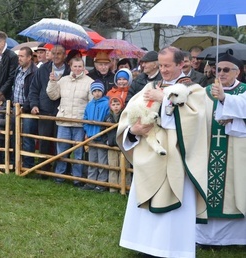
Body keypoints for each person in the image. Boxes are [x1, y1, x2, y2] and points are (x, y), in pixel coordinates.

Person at [117, 46, 209, 258]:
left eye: (168, 66)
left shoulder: (194, 90)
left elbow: (195, 122)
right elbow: (128, 114)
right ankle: (145, 246)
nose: (164, 70)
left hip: (174, 159)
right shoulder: (150, 86)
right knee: (146, 210)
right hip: (147, 157)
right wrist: (133, 130)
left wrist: (165, 98)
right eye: (161, 65)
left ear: (181, 64)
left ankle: (171, 249)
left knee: (172, 216)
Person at [196, 53, 246, 246]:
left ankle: (237, 238)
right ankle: (203, 237)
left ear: (238, 72)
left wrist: (227, 104)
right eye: (218, 69)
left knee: (236, 191)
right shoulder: (205, 92)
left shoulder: (243, 91)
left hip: (237, 155)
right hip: (208, 151)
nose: (221, 73)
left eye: (226, 70)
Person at [46, 57, 93, 186]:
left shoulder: (89, 82)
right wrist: (52, 81)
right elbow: (53, 95)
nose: (77, 69)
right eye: (75, 66)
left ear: (84, 67)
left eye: (80, 66)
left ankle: (77, 178)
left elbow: (91, 103)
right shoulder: (63, 80)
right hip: (64, 120)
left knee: (78, 152)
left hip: (79, 122)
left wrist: (87, 121)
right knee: (62, 150)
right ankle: (59, 176)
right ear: (70, 67)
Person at [28, 45, 70, 173]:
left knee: (61, 142)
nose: (56, 56)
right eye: (54, 53)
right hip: (44, 109)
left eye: (59, 53)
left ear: (65, 55)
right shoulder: (43, 69)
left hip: (62, 110)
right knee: (44, 141)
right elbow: (34, 89)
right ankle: (43, 169)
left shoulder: (70, 70)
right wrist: (34, 105)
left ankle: (60, 170)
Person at [12, 46, 38, 168]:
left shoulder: (35, 72)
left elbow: (33, 92)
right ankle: (15, 162)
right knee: (14, 135)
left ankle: (28, 164)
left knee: (27, 137)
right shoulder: (18, 70)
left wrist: (25, 107)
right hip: (15, 107)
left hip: (26, 110)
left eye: (22, 56)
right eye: (19, 56)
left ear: (29, 57)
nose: (19, 58)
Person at [81, 80, 109, 191]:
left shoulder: (106, 104)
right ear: (92, 92)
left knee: (102, 161)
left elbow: (108, 119)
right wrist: (88, 131)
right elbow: (85, 119)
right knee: (92, 160)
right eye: (95, 91)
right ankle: (91, 181)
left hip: (101, 136)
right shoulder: (89, 104)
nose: (97, 93)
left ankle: (101, 183)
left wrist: (103, 131)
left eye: (99, 91)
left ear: (102, 91)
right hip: (91, 136)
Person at [104, 96, 129, 193]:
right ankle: (113, 187)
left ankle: (125, 187)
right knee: (112, 166)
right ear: (110, 106)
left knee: (124, 167)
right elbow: (103, 130)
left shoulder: (125, 117)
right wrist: (107, 140)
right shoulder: (107, 118)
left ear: (121, 105)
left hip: (123, 146)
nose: (116, 107)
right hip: (111, 145)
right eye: (113, 105)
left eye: (118, 104)